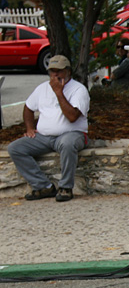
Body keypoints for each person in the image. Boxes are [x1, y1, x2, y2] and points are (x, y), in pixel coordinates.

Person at [7, 55, 90, 203]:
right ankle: (43, 186)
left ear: (68, 72)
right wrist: (30, 128)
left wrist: (59, 92)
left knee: (67, 144)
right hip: (44, 136)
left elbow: (72, 116)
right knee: (15, 148)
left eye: (59, 71)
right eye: (52, 71)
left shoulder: (78, 89)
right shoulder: (42, 88)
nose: (55, 75)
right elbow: (28, 107)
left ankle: (65, 187)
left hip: (72, 134)